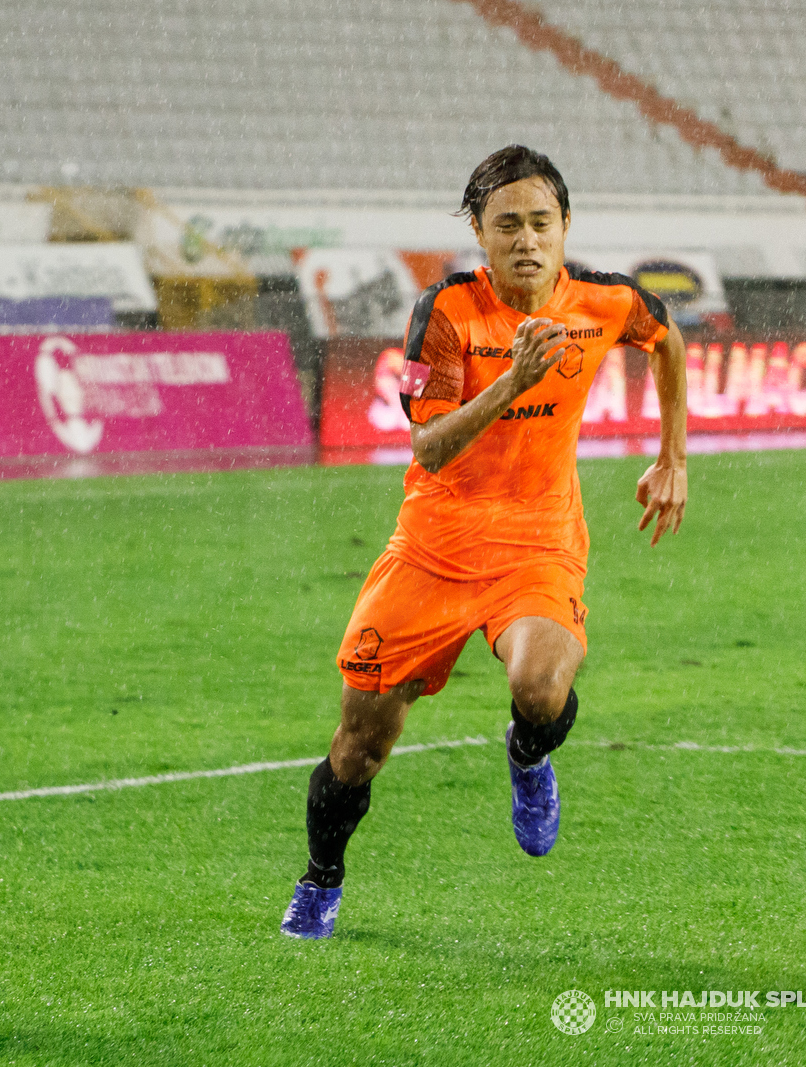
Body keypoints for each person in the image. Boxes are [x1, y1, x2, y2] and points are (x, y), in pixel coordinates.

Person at [280, 145, 689, 939]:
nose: (527, 240)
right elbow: (429, 447)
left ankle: (529, 755)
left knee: (541, 689)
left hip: (538, 542)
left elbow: (665, 339)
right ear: (479, 231)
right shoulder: (445, 315)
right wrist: (513, 381)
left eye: (542, 222)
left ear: (566, 226)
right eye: (508, 225)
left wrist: (673, 457)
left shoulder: (606, 301)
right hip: (432, 547)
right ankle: (321, 877)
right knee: (360, 743)